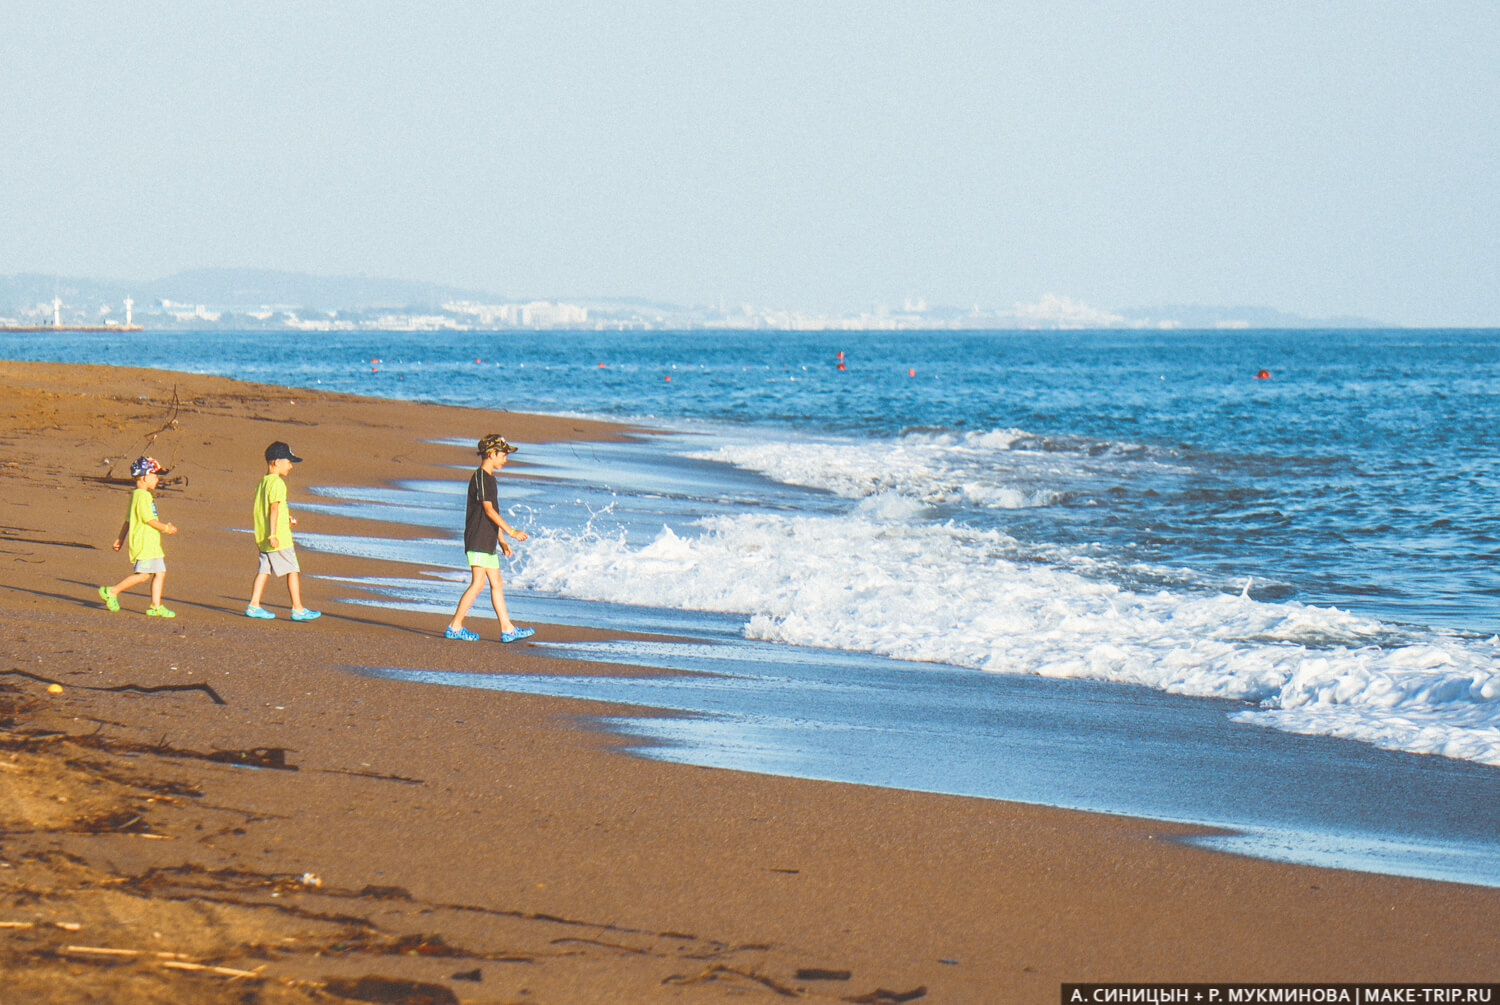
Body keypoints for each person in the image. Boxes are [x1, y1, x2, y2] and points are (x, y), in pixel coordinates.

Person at [446, 433, 534, 642]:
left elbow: (493, 513)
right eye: (503, 455)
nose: (506, 459)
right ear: (492, 454)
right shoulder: (482, 477)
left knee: (497, 582)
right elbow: (488, 510)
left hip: (487, 539)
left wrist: (502, 540)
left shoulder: (489, 479)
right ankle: (455, 626)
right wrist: (512, 532)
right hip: (478, 539)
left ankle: (507, 628)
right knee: (478, 583)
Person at [245, 441, 320, 621]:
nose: (291, 466)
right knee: (292, 570)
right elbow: (273, 509)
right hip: (277, 537)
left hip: (263, 536)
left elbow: (267, 509)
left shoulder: (262, 483)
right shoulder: (277, 483)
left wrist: (285, 520)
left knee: (264, 570)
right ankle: (298, 608)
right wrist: (274, 534)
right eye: (289, 461)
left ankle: (254, 605)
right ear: (277, 462)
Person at [99, 456, 178, 617]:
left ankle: (156, 605)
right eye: (155, 475)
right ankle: (112, 591)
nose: (157, 479)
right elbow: (148, 519)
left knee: (160, 573)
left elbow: (128, 520)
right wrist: (166, 528)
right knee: (143, 575)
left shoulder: (138, 495)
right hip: (145, 543)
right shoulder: (142, 496)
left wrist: (120, 539)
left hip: (152, 543)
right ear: (144, 477)